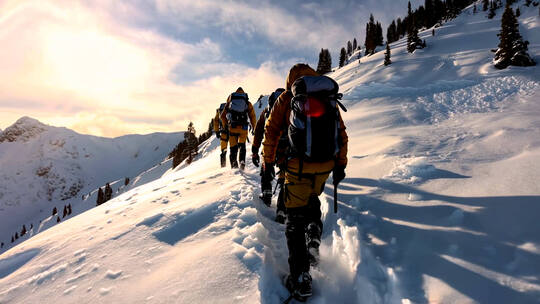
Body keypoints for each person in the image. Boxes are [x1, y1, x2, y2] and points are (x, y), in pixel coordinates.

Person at [262, 64, 348, 300]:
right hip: (325, 167)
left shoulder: (287, 97)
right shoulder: (326, 95)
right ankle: (314, 235)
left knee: (294, 218)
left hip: (297, 167)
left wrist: (268, 162)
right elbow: (341, 133)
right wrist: (340, 165)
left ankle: (300, 278)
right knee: (312, 198)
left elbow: (271, 131)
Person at [252, 88, 287, 223]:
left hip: (271, 145)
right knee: (285, 175)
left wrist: (255, 150)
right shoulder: (291, 106)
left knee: (266, 164)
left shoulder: (268, 109)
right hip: (287, 146)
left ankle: (266, 194)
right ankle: (282, 210)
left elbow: (259, 130)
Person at [220, 87, 257, 170]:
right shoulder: (247, 103)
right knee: (242, 146)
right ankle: (242, 162)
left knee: (233, 148)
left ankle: (234, 166)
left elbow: (222, 116)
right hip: (243, 128)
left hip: (232, 128)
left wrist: (225, 125)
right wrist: (254, 128)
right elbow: (253, 116)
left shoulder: (230, 102)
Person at [213, 102, 229, 167]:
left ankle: (223, 166)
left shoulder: (219, 111)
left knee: (223, 150)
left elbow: (216, 121)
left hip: (223, 133)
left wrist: (217, 131)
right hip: (232, 132)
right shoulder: (232, 108)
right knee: (234, 149)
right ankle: (235, 165)